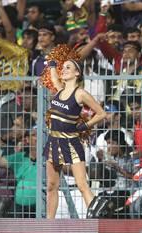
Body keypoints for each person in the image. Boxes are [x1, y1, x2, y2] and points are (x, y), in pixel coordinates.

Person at [43, 59, 106, 219]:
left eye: (68, 68)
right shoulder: (59, 89)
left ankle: (97, 217)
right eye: (62, 68)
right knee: (51, 186)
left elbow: (101, 113)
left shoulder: (80, 93)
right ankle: (48, 225)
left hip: (71, 142)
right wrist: (51, 65)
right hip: (53, 141)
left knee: (82, 185)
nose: (63, 70)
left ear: (77, 73)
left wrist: (85, 125)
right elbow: (54, 77)